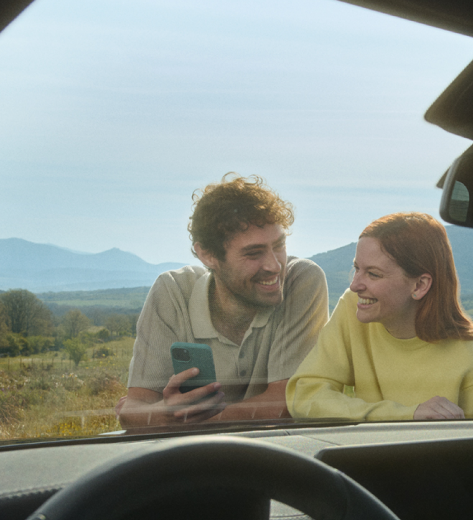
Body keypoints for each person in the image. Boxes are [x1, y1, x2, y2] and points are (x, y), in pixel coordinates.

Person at [118, 174, 328, 428]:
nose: (275, 266)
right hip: (189, 459)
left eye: (279, 245)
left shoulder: (301, 280)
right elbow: (133, 409)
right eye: (254, 253)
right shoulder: (173, 291)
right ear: (207, 255)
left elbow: (286, 403)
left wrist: (177, 420)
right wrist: (163, 412)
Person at [288, 212, 473, 420]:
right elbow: (305, 395)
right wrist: (406, 416)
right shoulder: (353, 307)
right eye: (356, 268)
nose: (355, 285)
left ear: (420, 285)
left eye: (373, 274)